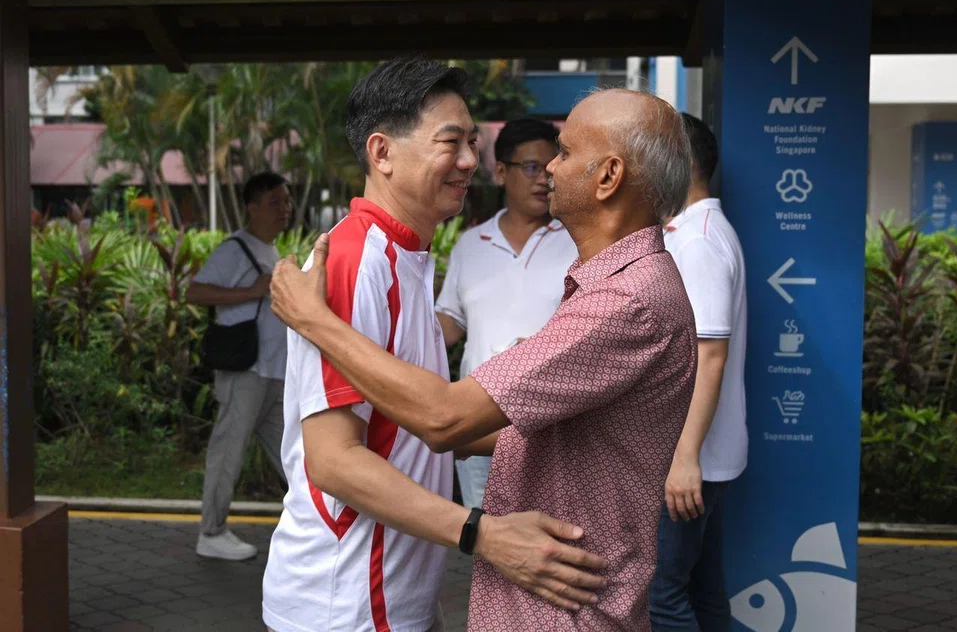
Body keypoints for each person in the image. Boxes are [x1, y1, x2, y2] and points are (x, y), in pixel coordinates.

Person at [270, 87, 698, 631]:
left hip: (561, 608)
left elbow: (444, 418)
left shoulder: (625, 300)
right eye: (454, 142)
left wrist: (312, 320)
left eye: (562, 155)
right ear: (382, 154)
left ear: (608, 177)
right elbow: (343, 454)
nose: (547, 171)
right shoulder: (365, 257)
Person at [436, 117, 578, 509]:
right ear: (500, 172)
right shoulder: (469, 244)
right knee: (485, 541)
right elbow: (450, 322)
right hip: (476, 419)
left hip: (547, 426)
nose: (543, 179)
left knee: (544, 541)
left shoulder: (578, 243)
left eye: (551, 168)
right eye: (531, 167)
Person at [650, 113, 748, 632]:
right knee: (702, 588)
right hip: (702, 457)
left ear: (681, 163)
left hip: (691, 461)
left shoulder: (698, 241)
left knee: (662, 598)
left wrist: (683, 457)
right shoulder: (693, 232)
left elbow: (710, 355)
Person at [185, 171, 291, 561]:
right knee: (228, 449)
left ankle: (322, 524)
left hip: (273, 374)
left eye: (287, 201)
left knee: (294, 455)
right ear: (252, 207)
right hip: (245, 372)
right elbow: (194, 292)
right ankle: (211, 533)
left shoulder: (272, 251)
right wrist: (249, 290)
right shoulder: (235, 249)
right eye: (275, 202)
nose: (285, 209)